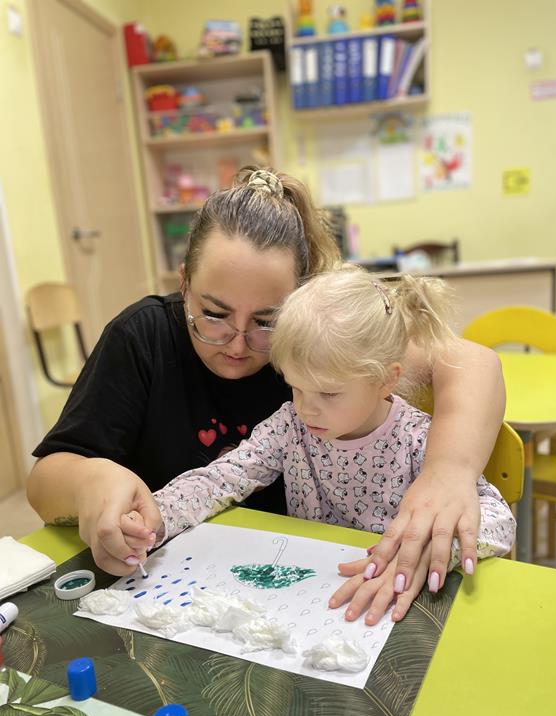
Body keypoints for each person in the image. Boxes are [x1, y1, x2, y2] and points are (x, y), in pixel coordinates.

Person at [26, 167, 506, 619]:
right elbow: (214, 479)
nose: (237, 344)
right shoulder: (147, 339)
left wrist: (447, 474)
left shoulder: (323, 345)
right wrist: (104, 491)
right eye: (214, 314)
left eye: (265, 321)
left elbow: (472, 363)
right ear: (185, 283)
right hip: (231, 588)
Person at [142, 266, 515, 624]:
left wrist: (429, 548)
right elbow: (221, 479)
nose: (307, 408)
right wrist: (152, 519)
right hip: (312, 600)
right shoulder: (290, 426)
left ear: (385, 380)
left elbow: (499, 522)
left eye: (329, 393)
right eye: (296, 387)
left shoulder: (418, 439)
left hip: (398, 605)